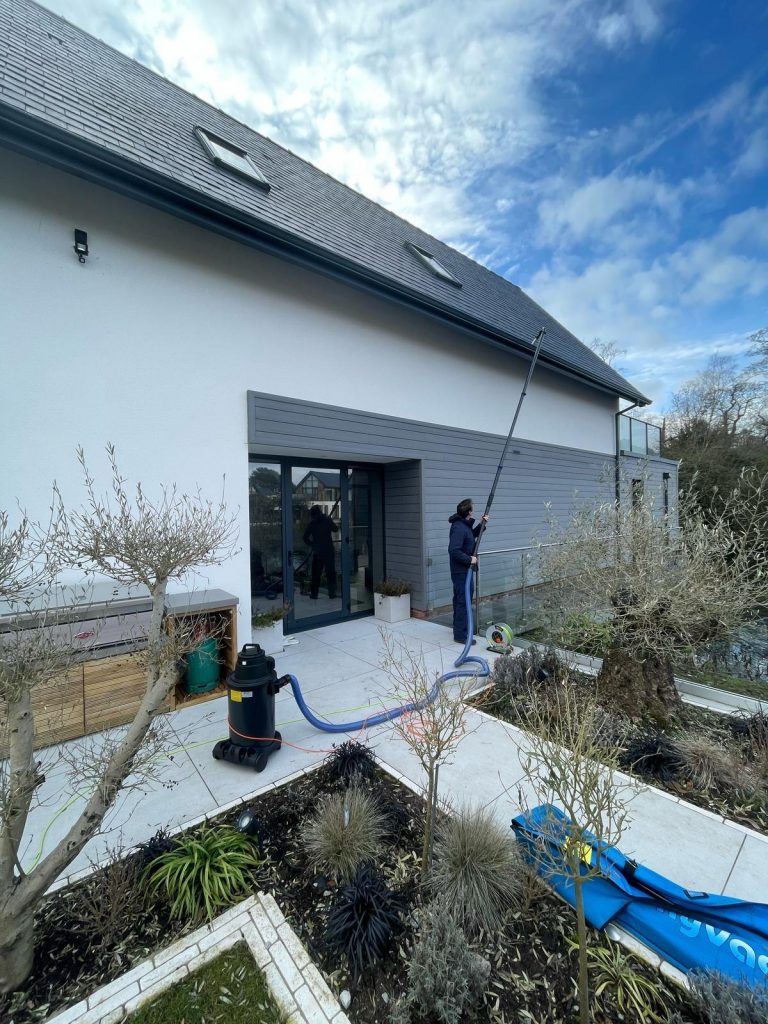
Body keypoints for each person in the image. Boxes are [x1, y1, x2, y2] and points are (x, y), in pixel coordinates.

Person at [448, 498, 489, 644]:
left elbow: (471, 537)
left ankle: (459, 629)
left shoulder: (463, 526)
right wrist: (469, 559)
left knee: (460, 600)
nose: (474, 510)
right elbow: (454, 550)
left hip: (464, 571)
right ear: (469, 512)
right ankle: (461, 635)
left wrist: (482, 524)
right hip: (461, 571)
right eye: (473, 508)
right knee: (463, 602)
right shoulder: (459, 527)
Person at [303, 505, 339, 599]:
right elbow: (335, 529)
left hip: (318, 552)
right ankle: (332, 593)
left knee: (316, 575)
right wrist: (329, 520)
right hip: (328, 552)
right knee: (330, 573)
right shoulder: (327, 520)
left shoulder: (312, 523)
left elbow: (305, 538)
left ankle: (314, 594)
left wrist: (313, 545)